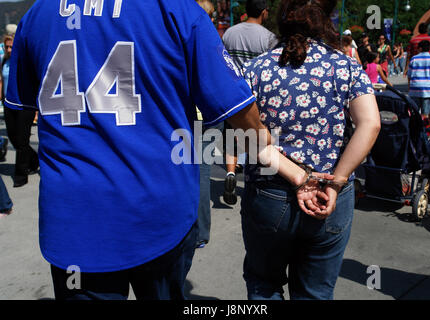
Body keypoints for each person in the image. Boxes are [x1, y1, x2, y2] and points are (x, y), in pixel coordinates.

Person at [5, 0, 332, 300]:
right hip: (158, 212)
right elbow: (239, 114)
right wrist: (283, 161)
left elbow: (19, 113)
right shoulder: (175, 9)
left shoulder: (39, 14)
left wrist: (25, 152)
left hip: (75, 217)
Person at [240, 0, 380, 300]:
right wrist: (338, 179)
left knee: (264, 285)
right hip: (330, 193)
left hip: (270, 191)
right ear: (326, 19)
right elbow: (371, 124)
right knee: (315, 292)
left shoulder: (256, 68)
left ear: (281, 20)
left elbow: (244, 136)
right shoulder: (345, 66)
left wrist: (296, 175)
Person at [221, 0, 277, 205]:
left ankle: (229, 173)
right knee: (257, 136)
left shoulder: (229, 33)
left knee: (231, 136)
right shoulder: (269, 38)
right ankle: (257, 182)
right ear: (264, 12)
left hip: (232, 94)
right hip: (256, 95)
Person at [194, 0, 218, 249]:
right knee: (202, 173)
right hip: (207, 117)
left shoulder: (176, 39)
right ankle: (200, 232)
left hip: (184, 117)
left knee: (184, 172)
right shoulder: (210, 42)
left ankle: (191, 229)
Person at [1, 34, 39, 188]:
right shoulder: (5, 61)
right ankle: (34, 159)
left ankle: (21, 174)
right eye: (7, 47)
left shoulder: (24, 61)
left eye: (11, 46)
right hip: (8, 103)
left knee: (22, 140)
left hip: (25, 104)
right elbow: (2, 80)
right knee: (13, 137)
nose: (9, 49)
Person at [407, 40, 430, 119]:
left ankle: (415, 129)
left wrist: (409, 88)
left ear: (420, 48)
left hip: (415, 89)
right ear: (429, 49)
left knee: (414, 112)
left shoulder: (414, 58)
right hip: (427, 90)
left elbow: (409, 75)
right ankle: (424, 129)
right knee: (426, 113)